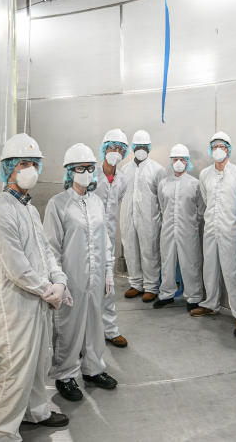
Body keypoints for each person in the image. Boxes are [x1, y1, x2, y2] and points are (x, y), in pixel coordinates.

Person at [0, 133, 70, 440]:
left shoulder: (30, 210)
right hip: (14, 306)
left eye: (34, 163)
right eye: (23, 163)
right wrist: (49, 290)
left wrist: (59, 280)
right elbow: (16, 267)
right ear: (9, 169)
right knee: (15, 369)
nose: (30, 169)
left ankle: (36, 411)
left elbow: (45, 252)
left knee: (39, 362)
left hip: (37, 300)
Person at [43, 143, 118, 403]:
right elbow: (50, 247)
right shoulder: (58, 204)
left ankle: (94, 369)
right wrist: (58, 280)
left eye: (89, 168)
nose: (85, 172)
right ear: (69, 172)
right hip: (71, 278)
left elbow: (105, 239)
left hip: (96, 277)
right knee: (69, 326)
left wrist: (109, 271)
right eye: (79, 168)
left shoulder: (96, 202)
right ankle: (65, 374)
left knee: (95, 324)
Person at [191, 132, 236, 338]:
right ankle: (210, 303)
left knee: (233, 271)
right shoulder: (205, 174)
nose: (219, 149)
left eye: (223, 146)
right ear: (210, 149)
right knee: (210, 267)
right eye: (215, 146)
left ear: (229, 149)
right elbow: (207, 199)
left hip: (231, 230)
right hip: (211, 228)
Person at [152, 144, 205, 310]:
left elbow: (201, 209)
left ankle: (193, 297)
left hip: (188, 229)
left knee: (191, 263)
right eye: (176, 159)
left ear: (187, 162)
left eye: (182, 159)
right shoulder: (163, 184)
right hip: (167, 228)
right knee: (167, 261)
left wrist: (191, 223)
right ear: (171, 161)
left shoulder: (195, 184)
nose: (179, 162)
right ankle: (167, 294)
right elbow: (162, 205)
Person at [94, 128, 131, 347]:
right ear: (103, 149)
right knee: (85, 287)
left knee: (109, 286)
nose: (115, 152)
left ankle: (110, 329)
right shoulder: (90, 175)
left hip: (108, 240)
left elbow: (117, 202)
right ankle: (85, 332)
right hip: (87, 240)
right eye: (112, 147)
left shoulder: (123, 179)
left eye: (120, 149)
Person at [119, 129, 165, 303]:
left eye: (144, 146)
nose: (141, 149)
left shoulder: (157, 170)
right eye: (138, 146)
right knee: (130, 249)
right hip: (128, 216)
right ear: (132, 147)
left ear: (149, 147)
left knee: (149, 251)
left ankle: (151, 286)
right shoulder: (125, 169)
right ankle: (136, 283)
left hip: (149, 218)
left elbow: (162, 198)